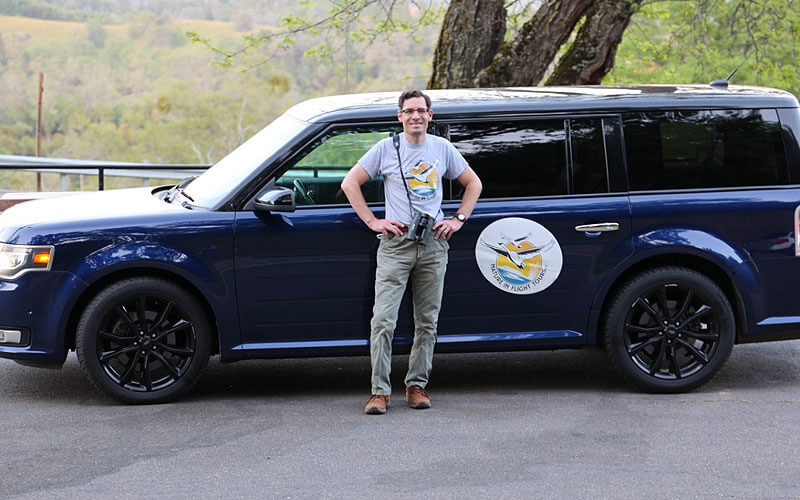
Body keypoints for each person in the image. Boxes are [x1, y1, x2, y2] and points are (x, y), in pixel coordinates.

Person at [340, 90, 482, 415]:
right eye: (409, 111)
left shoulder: (442, 149)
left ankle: (417, 385)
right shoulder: (386, 149)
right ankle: (379, 392)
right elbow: (351, 183)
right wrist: (373, 221)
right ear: (399, 116)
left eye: (421, 110)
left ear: (430, 116)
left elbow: (473, 183)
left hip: (433, 243)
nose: (415, 115)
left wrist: (458, 219)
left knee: (427, 321)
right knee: (383, 321)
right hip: (397, 243)